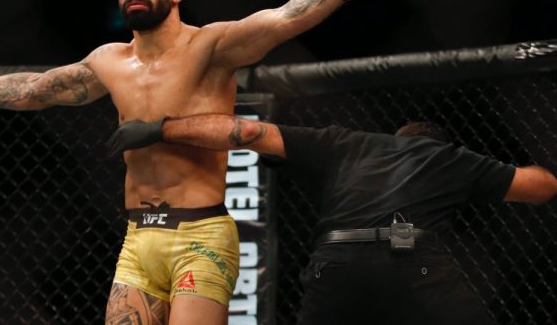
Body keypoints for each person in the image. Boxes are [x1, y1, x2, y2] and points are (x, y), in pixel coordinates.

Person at [0, 0, 406, 324]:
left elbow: (281, 20)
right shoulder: (109, 61)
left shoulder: (210, 47)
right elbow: (39, 89)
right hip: (138, 240)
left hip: (201, 236)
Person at [107, 116, 557, 325]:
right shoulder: (448, 157)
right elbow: (540, 187)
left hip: (335, 262)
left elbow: (247, 132)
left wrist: (159, 129)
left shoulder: (344, 141)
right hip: (411, 256)